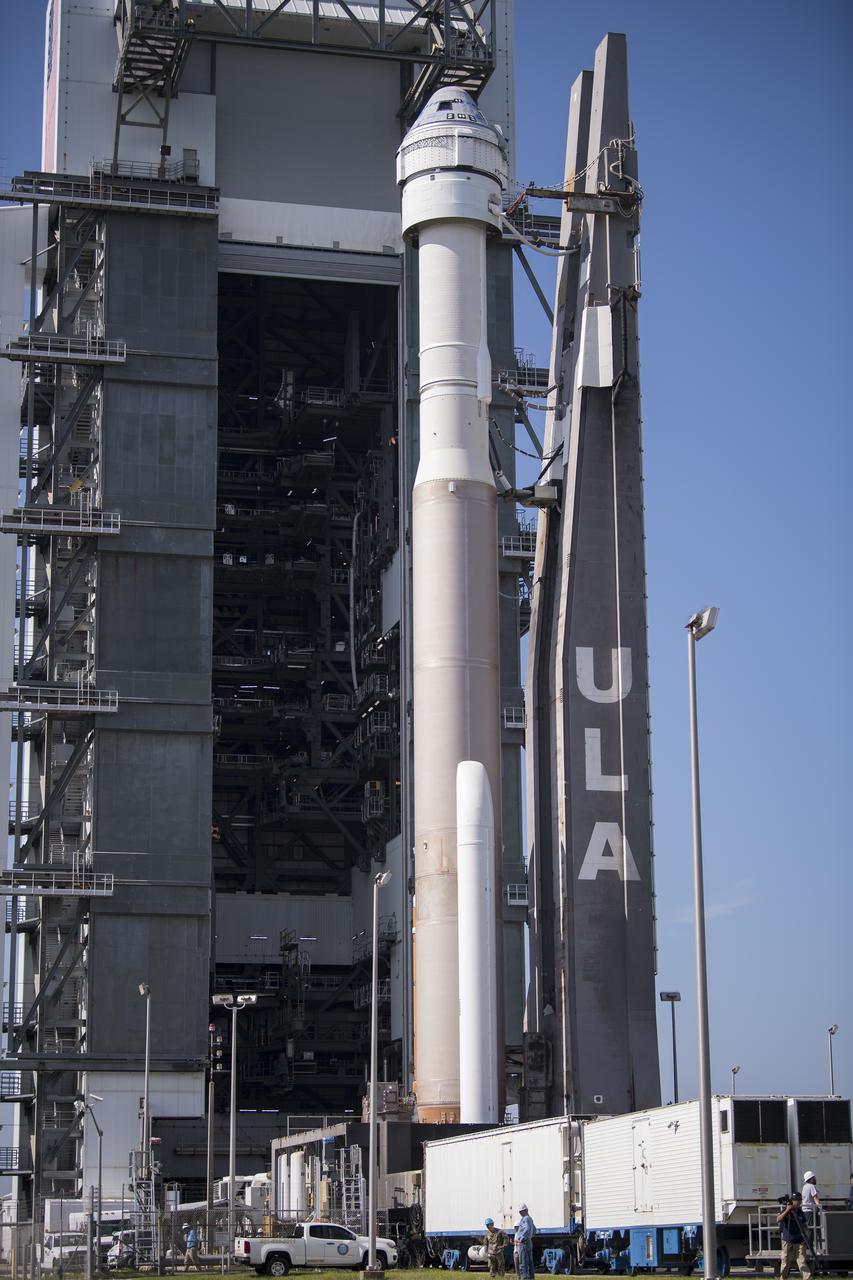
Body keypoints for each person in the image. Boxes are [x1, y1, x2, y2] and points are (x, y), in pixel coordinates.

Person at [776, 1193, 812, 1280]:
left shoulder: (800, 1212)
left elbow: (804, 1224)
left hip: (800, 1241)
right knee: (785, 1262)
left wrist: (805, 1235)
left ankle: (807, 1278)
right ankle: (783, 1278)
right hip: (788, 1241)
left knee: (802, 1262)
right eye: (797, 1200)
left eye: (800, 1200)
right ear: (792, 1201)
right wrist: (787, 1210)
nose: (799, 1202)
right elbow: (778, 1219)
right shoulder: (786, 1210)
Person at [514, 1204, 536, 1280]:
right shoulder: (530, 1219)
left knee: (523, 1263)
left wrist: (521, 1238)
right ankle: (531, 1277)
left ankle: (524, 1278)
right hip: (528, 1241)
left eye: (521, 1211)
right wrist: (530, 1237)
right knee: (529, 1262)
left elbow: (526, 1229)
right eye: (520, 1211)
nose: (520, 1213)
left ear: (526, 1210)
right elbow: (534, 1230)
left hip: (524, 1243)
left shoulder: (525, 1219)